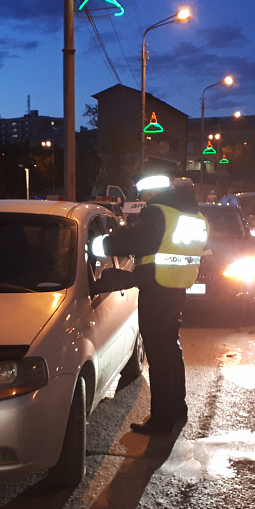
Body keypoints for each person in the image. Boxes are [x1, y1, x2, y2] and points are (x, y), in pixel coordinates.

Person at [94, 174, 208, 434]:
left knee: (158, 356)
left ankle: (162, 419)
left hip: (157, 289)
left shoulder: (158, 213)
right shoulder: (195, 216)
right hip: (177, 288)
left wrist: (102, 243)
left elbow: (133, 242)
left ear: (152, 194)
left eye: (143, 196)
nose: (141, 201)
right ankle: (178, 409)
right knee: (171, 351)